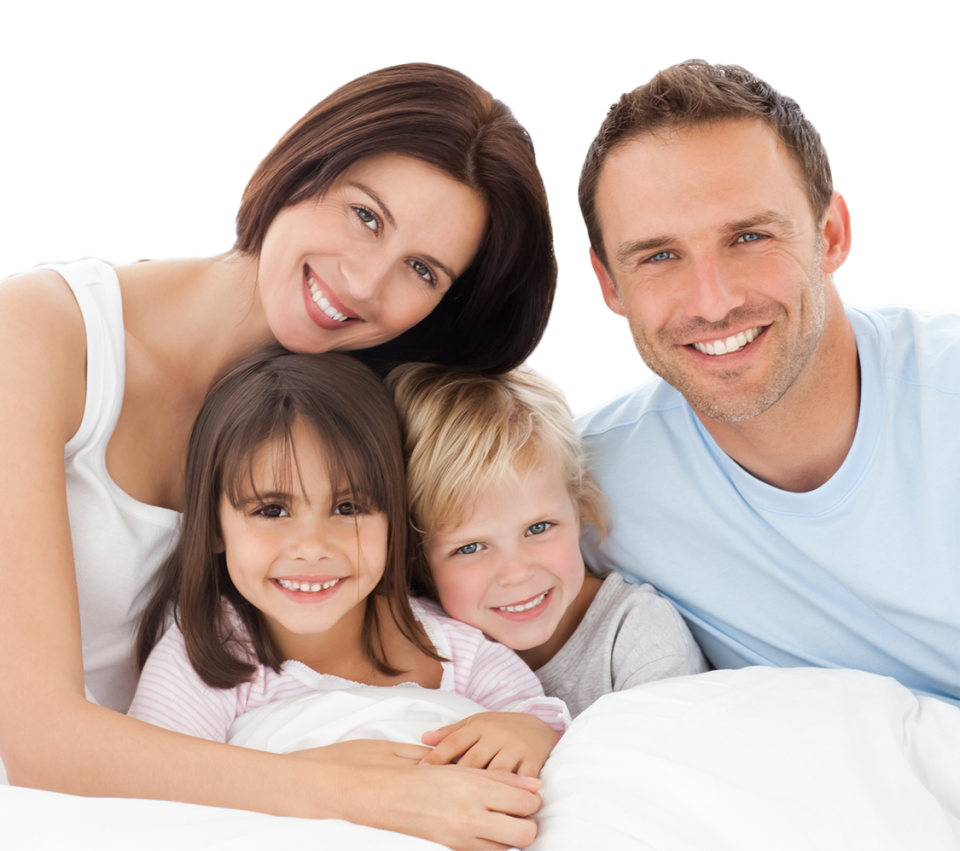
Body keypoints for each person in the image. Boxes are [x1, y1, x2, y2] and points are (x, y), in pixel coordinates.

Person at [0, 62, 557, 849]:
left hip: (158, 809)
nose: (366, 280)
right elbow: (40, 740)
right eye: (366, 216)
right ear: (305, 165)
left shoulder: (336, 429)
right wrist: (345, 789)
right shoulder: (41, 330)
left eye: (422, 270)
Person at [573, 58, 959, 706]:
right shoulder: (582, 489)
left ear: (831, 234)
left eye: (749, 236)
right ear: (608, 283)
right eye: (659, 256)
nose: (713, 300)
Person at [128, 350, 567, 777]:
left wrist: (529, 731)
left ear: (392, 516)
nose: (313, 547)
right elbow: (152, 779)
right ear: (215, 527)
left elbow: (540, 724)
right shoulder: (209, 655)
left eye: (348, 506)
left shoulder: (453, 648)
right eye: (272, 511)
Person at [387, 363, 707, 718]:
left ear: (579, 505)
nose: (517, 573)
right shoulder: (425, 647)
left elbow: (661, 765)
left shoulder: (637, 636)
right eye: (470, 548)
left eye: (538, 528)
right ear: (416, 559)